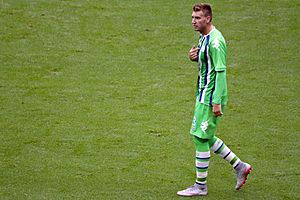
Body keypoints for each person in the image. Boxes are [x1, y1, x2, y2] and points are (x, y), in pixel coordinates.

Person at [177, 3, 252, 197]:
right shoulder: (203, 37)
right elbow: (206, 62)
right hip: (203, 93)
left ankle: (200, 186)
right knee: (205, 136)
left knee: (199, 137)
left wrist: (216, 101)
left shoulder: (216, 41)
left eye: (198, 18)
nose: (194, 21)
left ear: (208, 19)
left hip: (211, 97)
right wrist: (194, 58)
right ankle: (240, 166)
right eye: (193, 18)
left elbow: (220, 72)